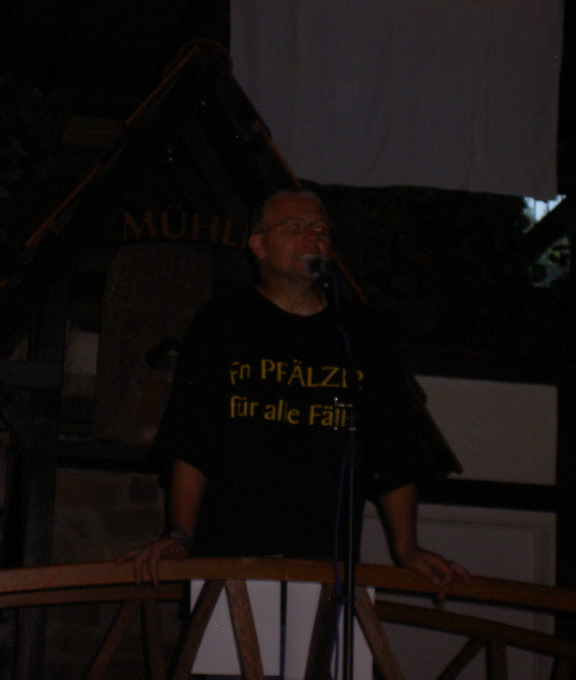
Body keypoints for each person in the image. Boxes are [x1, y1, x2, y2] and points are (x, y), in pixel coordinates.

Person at [119, 189, 468, 596]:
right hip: (228, 554)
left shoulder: (360, 332)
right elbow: (192, 440)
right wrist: (180, 534)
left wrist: (407, 549)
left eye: (320, 229)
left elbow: (392, 448)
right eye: (295, 227)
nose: (312, 237)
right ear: (258, 246)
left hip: (327, 561)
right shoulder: (223, 322)